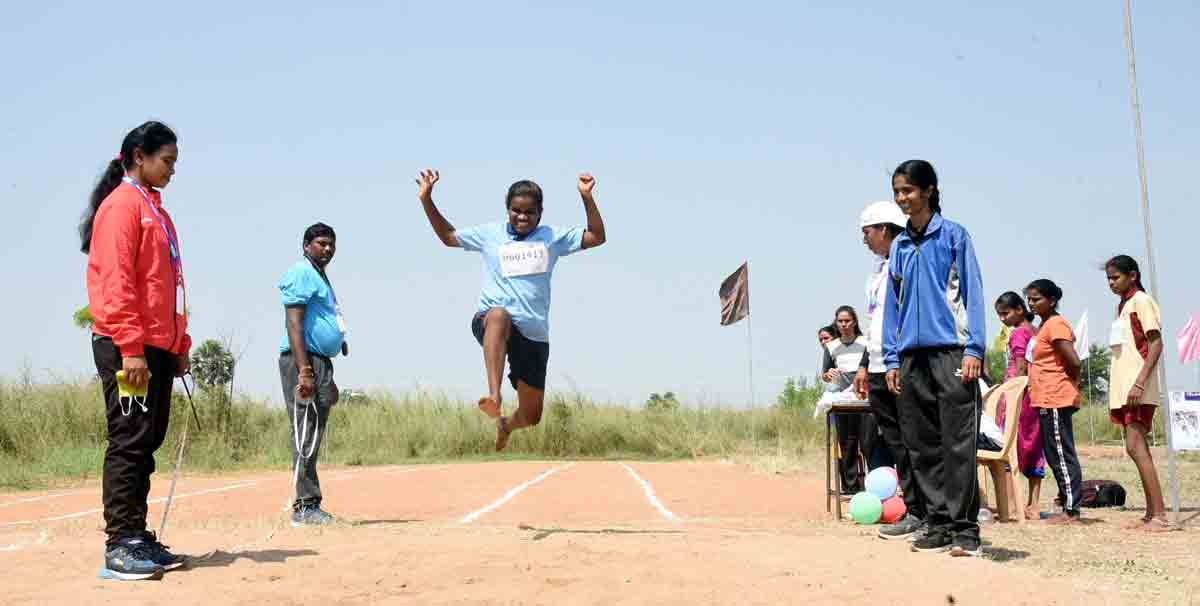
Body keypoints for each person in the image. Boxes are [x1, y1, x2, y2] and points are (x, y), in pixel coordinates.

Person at [417, 169, 607, 451]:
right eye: (516, 211)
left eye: (529, 212)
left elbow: (596, 236)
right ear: (507, 210)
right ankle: (494, 396)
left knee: (531, 416)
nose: (522, 217)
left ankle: (506, 424)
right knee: (498, 315)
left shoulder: (552, 237)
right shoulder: (490, 235)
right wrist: (426, 199)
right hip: (492, 322)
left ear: (540, 213)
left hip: (534, 333)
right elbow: (448, 236)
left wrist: (586, 197)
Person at [81, 121, 190, 580]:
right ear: (138, 156)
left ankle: (137, 535)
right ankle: (119, 543)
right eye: (166, 161)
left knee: (147, 438)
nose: (171, 171)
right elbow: (118, 282)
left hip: (155, 347)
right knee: (129, 439)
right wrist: (130, 349)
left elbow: (169, 285)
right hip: (128, 349)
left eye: (174, 163)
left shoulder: (157, 211)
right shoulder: (122, 206)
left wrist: (178, 343)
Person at [882, 160, 986, 557]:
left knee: (956, 443)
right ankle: (937, 524)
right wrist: (892, 359)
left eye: (907, 190)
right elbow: (893, 305)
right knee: (922, 445)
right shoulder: (900, 247)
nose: (902, 198)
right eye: (897, 192)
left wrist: (974, 348)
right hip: (910, 356)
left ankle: (965, 531)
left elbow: (973, 295)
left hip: (952, 353)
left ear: (928, 190)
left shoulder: (955, 237)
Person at [851, 201, 926, 540]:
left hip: (902, 364)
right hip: (879, 364)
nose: (864, 240)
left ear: (883, 229)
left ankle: (925, 511)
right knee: (896, 442)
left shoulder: (907, 260)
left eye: (866, 232)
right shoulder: (878, 268)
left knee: (914, 440)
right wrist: (865, 365)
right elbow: (876, 323)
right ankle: (913, 509)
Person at [277, 223, 347, 526]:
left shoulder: (319, 276)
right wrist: (305, 371)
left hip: (320, 362)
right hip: (302, 362)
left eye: (331, 244)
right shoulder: (300, 272)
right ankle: (305, 506)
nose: (327, 249)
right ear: (307, 246)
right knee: (305, 430)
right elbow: (294, 324)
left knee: (315, 429)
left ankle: (310, 502)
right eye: (321, 243)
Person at [1104, 255, 1171, 531]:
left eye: (1115, 277)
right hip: (1126, 389)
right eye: (1108, 278)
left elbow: (1155, 343)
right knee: (1134, 447)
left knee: (1135, 446)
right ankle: (1150, 513)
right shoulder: (1123, 306)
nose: (1111, 283)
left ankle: (1160, 516)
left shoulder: (1141, 301)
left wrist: (1140, 382)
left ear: (1132, 275)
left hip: (1138, 388)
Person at [1024, 279, 1083, 524]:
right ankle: (1066, 504)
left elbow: (1074, 362)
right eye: (1029, 298)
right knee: (1053, 452)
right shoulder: (1045, 325)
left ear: (1052, 300)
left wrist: (1065, 385)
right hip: (1046, 398)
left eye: (1036, 298)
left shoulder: (1057, 324)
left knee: (1060, 452)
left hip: (1055, 397)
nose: (1031, 303)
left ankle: (1071, 511)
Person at [994, 291, 1046, 519]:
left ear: (1019, 310)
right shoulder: (1036, 332)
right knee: (1034, 447)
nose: (1002, 319)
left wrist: (1009, 394)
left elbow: (1020, 367)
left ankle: (1010, 505)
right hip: (1035, 396)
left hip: (1017, 396)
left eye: (1005, 313)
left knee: (1007, 448)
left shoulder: (1018, 333)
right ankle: (1033, 505)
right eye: (999, 315)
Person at [823, 306, 870, 493]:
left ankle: (872, 484)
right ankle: (850, 487)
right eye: (840, 321)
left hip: (865, 397)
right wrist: (828, 374)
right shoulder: (831, 346)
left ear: (855, 321)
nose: (844, 324)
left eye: (847, 321)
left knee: (867, 441)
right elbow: (824, 374)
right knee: (847, 442)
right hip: (843, 398)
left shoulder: (866, 342)